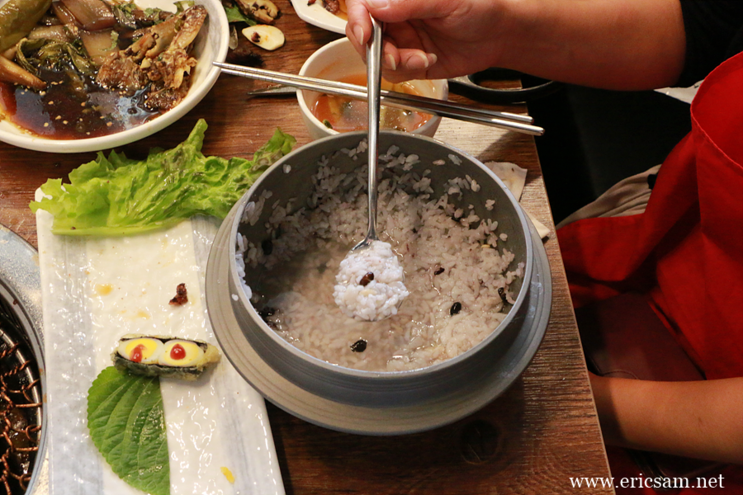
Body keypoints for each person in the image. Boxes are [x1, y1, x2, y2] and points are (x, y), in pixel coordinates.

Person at [345, 0, 743, 492]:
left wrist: (571, 395)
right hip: (669, 227)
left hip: (698, 430)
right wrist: (500, 31)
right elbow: (703, 26)